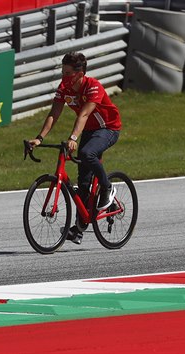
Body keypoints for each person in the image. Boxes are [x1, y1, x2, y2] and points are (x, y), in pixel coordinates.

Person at [27, 52, 122, 245]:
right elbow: (54, 112)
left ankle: (107, 188)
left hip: (108, 128)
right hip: (88, 130)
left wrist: (73, 137)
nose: (63, 77)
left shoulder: (93, 86)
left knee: (88, 153)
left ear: (80, 73)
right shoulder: (64, 87)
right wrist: (39, 138)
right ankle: (79, 228)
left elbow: (85, 114)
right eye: (62, 72)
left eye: (67, 73)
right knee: (84, 184)